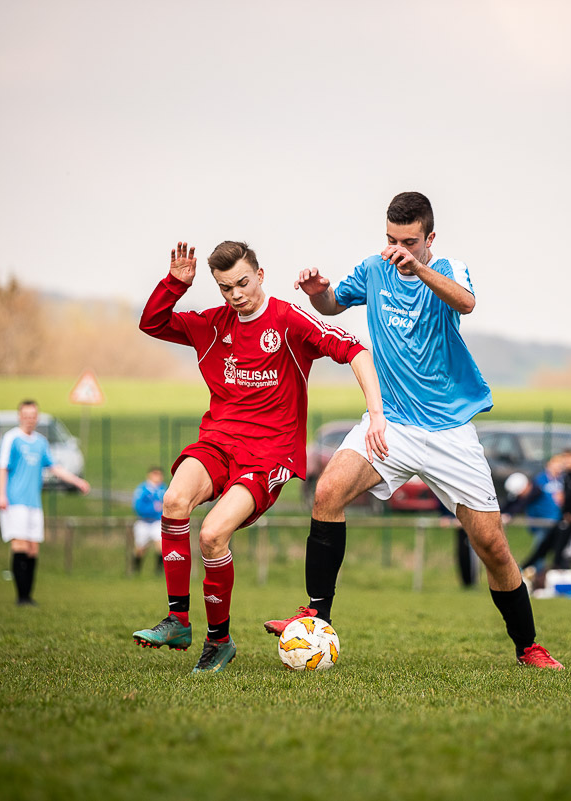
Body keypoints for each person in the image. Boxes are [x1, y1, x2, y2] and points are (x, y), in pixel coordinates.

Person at [270, 191, 563, 669]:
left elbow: (466, 302)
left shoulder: (447, 268)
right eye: (391, 240)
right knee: (328, 492)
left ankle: (528, 645)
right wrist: (317, 291)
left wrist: (419, 270)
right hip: (392, 425)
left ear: (430, 238)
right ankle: (315, 615)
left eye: (408, 242)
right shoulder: (374, 268)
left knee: (492, 546)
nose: (397, 250)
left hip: (449, 432)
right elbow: (331, 305)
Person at [130, 240, 387, 674]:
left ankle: (218, 641)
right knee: (172, 501)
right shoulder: (213, 324)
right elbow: (152, 322)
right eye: (225, 287)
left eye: (243, 283)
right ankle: (177, 620)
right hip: (217, 442)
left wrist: (376, 413)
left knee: (212, 534)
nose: (236, 294)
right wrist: (175, 284)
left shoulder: (288, 320)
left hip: (268, 454)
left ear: (261, 275)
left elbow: (355, 350)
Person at [0, 399, 90, 606]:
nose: (30, 419)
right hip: (15, 501)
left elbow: (54, 467)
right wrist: (1, 494)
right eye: (26, 416)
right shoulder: (12, 438)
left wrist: (77, 481)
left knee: (33, 549)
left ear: (37, 418)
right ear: (20, 416)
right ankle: (21, 597)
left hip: (34, 503)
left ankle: (28, 596)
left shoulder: (40, 442)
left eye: (33, 416)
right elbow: (2, 467)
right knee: (20, 545)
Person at [132, 466, 167, 575]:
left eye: (159, 474)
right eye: (155, 474)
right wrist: (153, 508)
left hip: (157, 522)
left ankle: (158, 572)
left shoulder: (163, 489)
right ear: (150, 475)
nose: (158, 477)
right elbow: (138, 507)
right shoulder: (142, 489)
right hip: (144, 522)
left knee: (161, 547)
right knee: (140, 549)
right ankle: (136, 571)